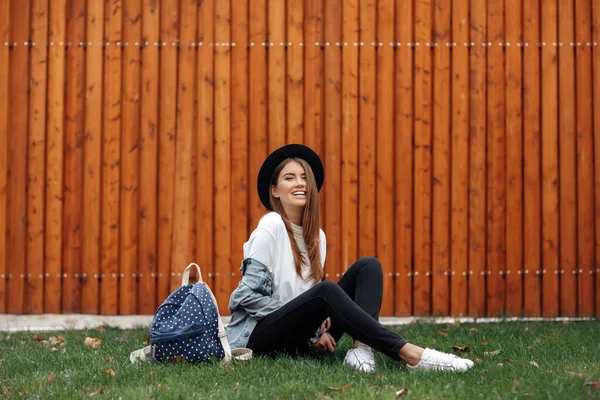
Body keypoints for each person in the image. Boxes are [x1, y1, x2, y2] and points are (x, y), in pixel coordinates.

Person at [225, 144, 475, 373]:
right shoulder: (271, 225)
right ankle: (412, 354)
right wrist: (310, 327)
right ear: (275, 191)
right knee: (325, 292)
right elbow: (244, 298)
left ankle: (362, 351)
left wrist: (313, 328)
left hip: (297, 336)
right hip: (259, 337)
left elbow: (304, 301)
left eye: (304, 178)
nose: (299, 183)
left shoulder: (317, 238)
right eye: (289, 178)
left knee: (368, 265)